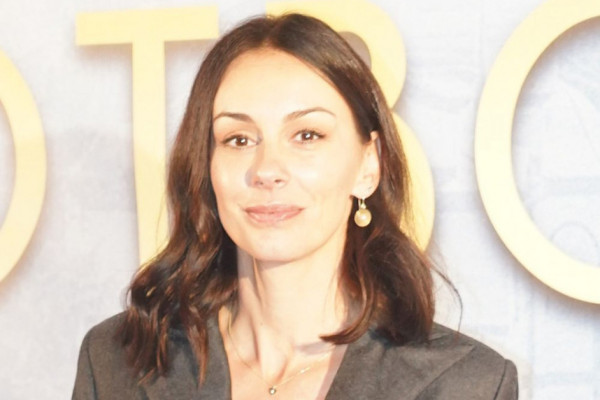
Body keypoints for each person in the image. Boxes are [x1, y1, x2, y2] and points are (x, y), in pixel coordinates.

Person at [72, 13, 518, 400]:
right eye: (238, 139)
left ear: (368, 165)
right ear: (206, 167)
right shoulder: (118, 362)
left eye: (307, 135)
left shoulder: (467, 385)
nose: (267, 170)